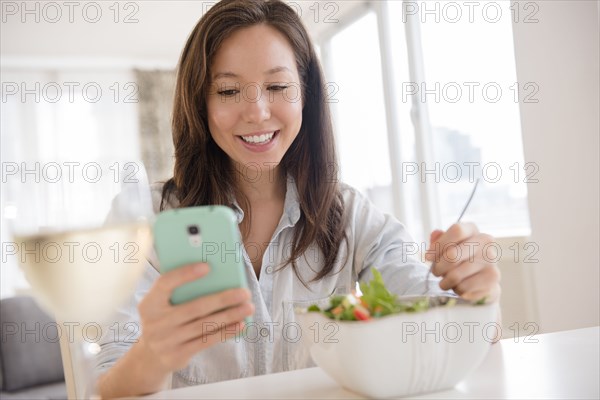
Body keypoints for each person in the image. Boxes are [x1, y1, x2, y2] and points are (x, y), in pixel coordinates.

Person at [96, 0, 501, 397]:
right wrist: (154, 352)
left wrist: (476, 293)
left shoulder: (350, 217)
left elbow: (441, 324)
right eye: (229, 90)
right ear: (200, 104)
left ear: (305, 94)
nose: (256, 112)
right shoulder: (146, 220)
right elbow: (110, 385)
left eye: (277, 86)